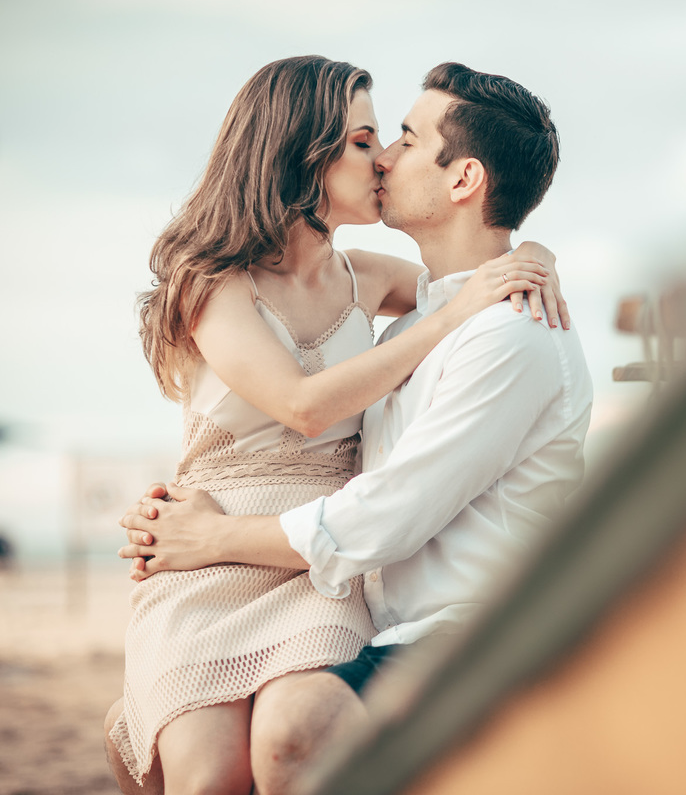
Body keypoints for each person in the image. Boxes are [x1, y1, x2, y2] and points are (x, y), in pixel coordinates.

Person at [118, 61, 592, 794]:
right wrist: (495, 279)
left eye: (399, 139)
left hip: (351, 583)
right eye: (369, 140)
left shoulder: (434, 305)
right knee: (205, 773)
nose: (384, 160)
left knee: (288, 733)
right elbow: (311, 403)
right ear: (302, 152)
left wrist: (531, 255)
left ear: (463, 179)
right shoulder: (397, 315)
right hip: (241, 546)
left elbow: (385, 502)